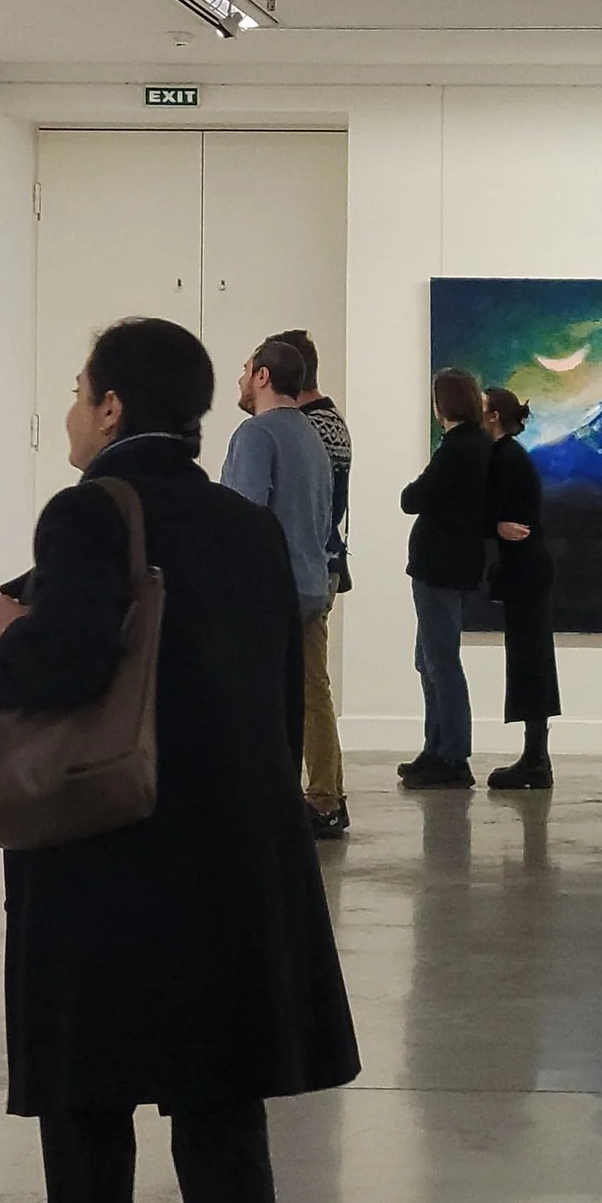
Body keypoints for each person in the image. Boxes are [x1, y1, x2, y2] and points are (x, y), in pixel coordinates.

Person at [0, 318, 359, 1203]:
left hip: (107, 867)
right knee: (226, 1136)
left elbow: (62, 668)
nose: (68, 410)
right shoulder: (242, 527)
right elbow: (282, 701)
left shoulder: (90, 512)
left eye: (77, 390)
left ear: (110, 408)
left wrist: (3, 639)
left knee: (88, 1136)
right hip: (231, 869)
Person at [223, 339, 343, 840]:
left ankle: (263, 803)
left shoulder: (256, 435)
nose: (240, 378)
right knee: (310, 695)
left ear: (264, 377)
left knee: (257, 703)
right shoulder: (314, 436)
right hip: (312, 587)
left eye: (245, 369)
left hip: (267, 596)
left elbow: (243, 520)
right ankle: (322, 797)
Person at [268, 328, 352, 837]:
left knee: (308, 686)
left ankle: (324, 796)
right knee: (308, 684)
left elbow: (304, 507)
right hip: (320, 565)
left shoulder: (306, 429)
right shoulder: (332, 424)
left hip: (304, 571)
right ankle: (324, 791)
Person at [397, 367, 491, 791]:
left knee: (441, 662)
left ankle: (452, 754)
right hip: (451, 568)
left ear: (443, 404)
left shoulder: (457, 449)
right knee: (429, 659)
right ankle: (435, 747)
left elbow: (412, 497)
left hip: (440, 569)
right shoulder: (478, 447)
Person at [481, 386, 560, 789]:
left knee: (530, 660)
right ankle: (535, 755)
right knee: (531, 658)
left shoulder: (505, 457)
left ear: (493, 415)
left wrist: (492, 525)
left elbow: (491, 510)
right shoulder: (508, 455)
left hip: (526, 571)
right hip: (528, 570)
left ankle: (535, 759)